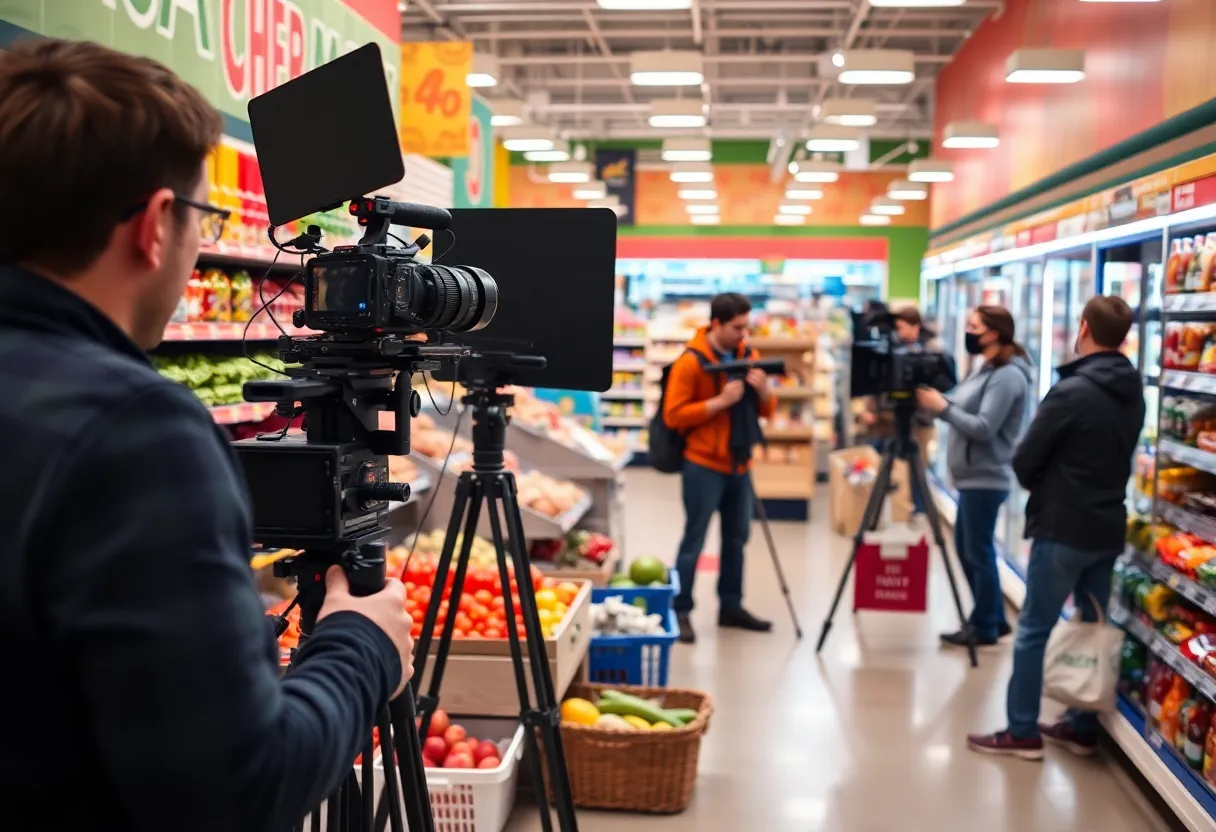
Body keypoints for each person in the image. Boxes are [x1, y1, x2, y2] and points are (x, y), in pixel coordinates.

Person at [0, 40, 414, 830]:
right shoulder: (135, 432)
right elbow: (238, 790)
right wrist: (361, 645)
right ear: (156, 225)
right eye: (203, 217)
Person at [967, 296, 1144, 759]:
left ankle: (1022, 730)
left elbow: (1026, 458)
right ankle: (1083, 723)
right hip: (1107, 526)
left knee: (1033, 629)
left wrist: (1042, 486)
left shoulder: (1071, 391)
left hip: (1062, 527)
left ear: (1083, 327)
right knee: (1092, 624)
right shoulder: (1134, 389)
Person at [916, 305, 1035, 648]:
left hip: (987, 477)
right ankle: (992, 618)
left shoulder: (1008, 375)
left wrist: (944, 408)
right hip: (971, 476)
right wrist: (944, 403)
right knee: (970, 549)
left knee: (977, 552)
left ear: (994, 332)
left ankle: (984, 625)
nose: (968, 332)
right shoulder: (986, 368)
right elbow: (966, 411)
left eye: (974, 326)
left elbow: (984, 427)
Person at [663, 292, 777, 643]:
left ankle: (731, 606)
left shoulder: (749, 357)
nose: (744, 334)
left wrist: (765, 392)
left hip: (740, 463)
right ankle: (680, 610)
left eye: (747, 326)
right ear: (716, 324)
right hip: (702, 464)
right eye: (737, 327)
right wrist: (719, 402)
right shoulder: (690, 362)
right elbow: (673, 415)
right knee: (694, 540)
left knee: (737, 538)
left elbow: (766, 413)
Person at [859, 305, 954, 512]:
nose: (900, 332)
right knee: (883, 464)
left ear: (916, 326)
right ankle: (883, 509)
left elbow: (942, 385)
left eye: (903, 327)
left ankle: (919, 508)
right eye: (897, 328)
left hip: (920, 422)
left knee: (918, 468)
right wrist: (870, 409)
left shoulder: (931, 351)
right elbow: (877, 385)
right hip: (888, 421)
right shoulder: (889, 350)